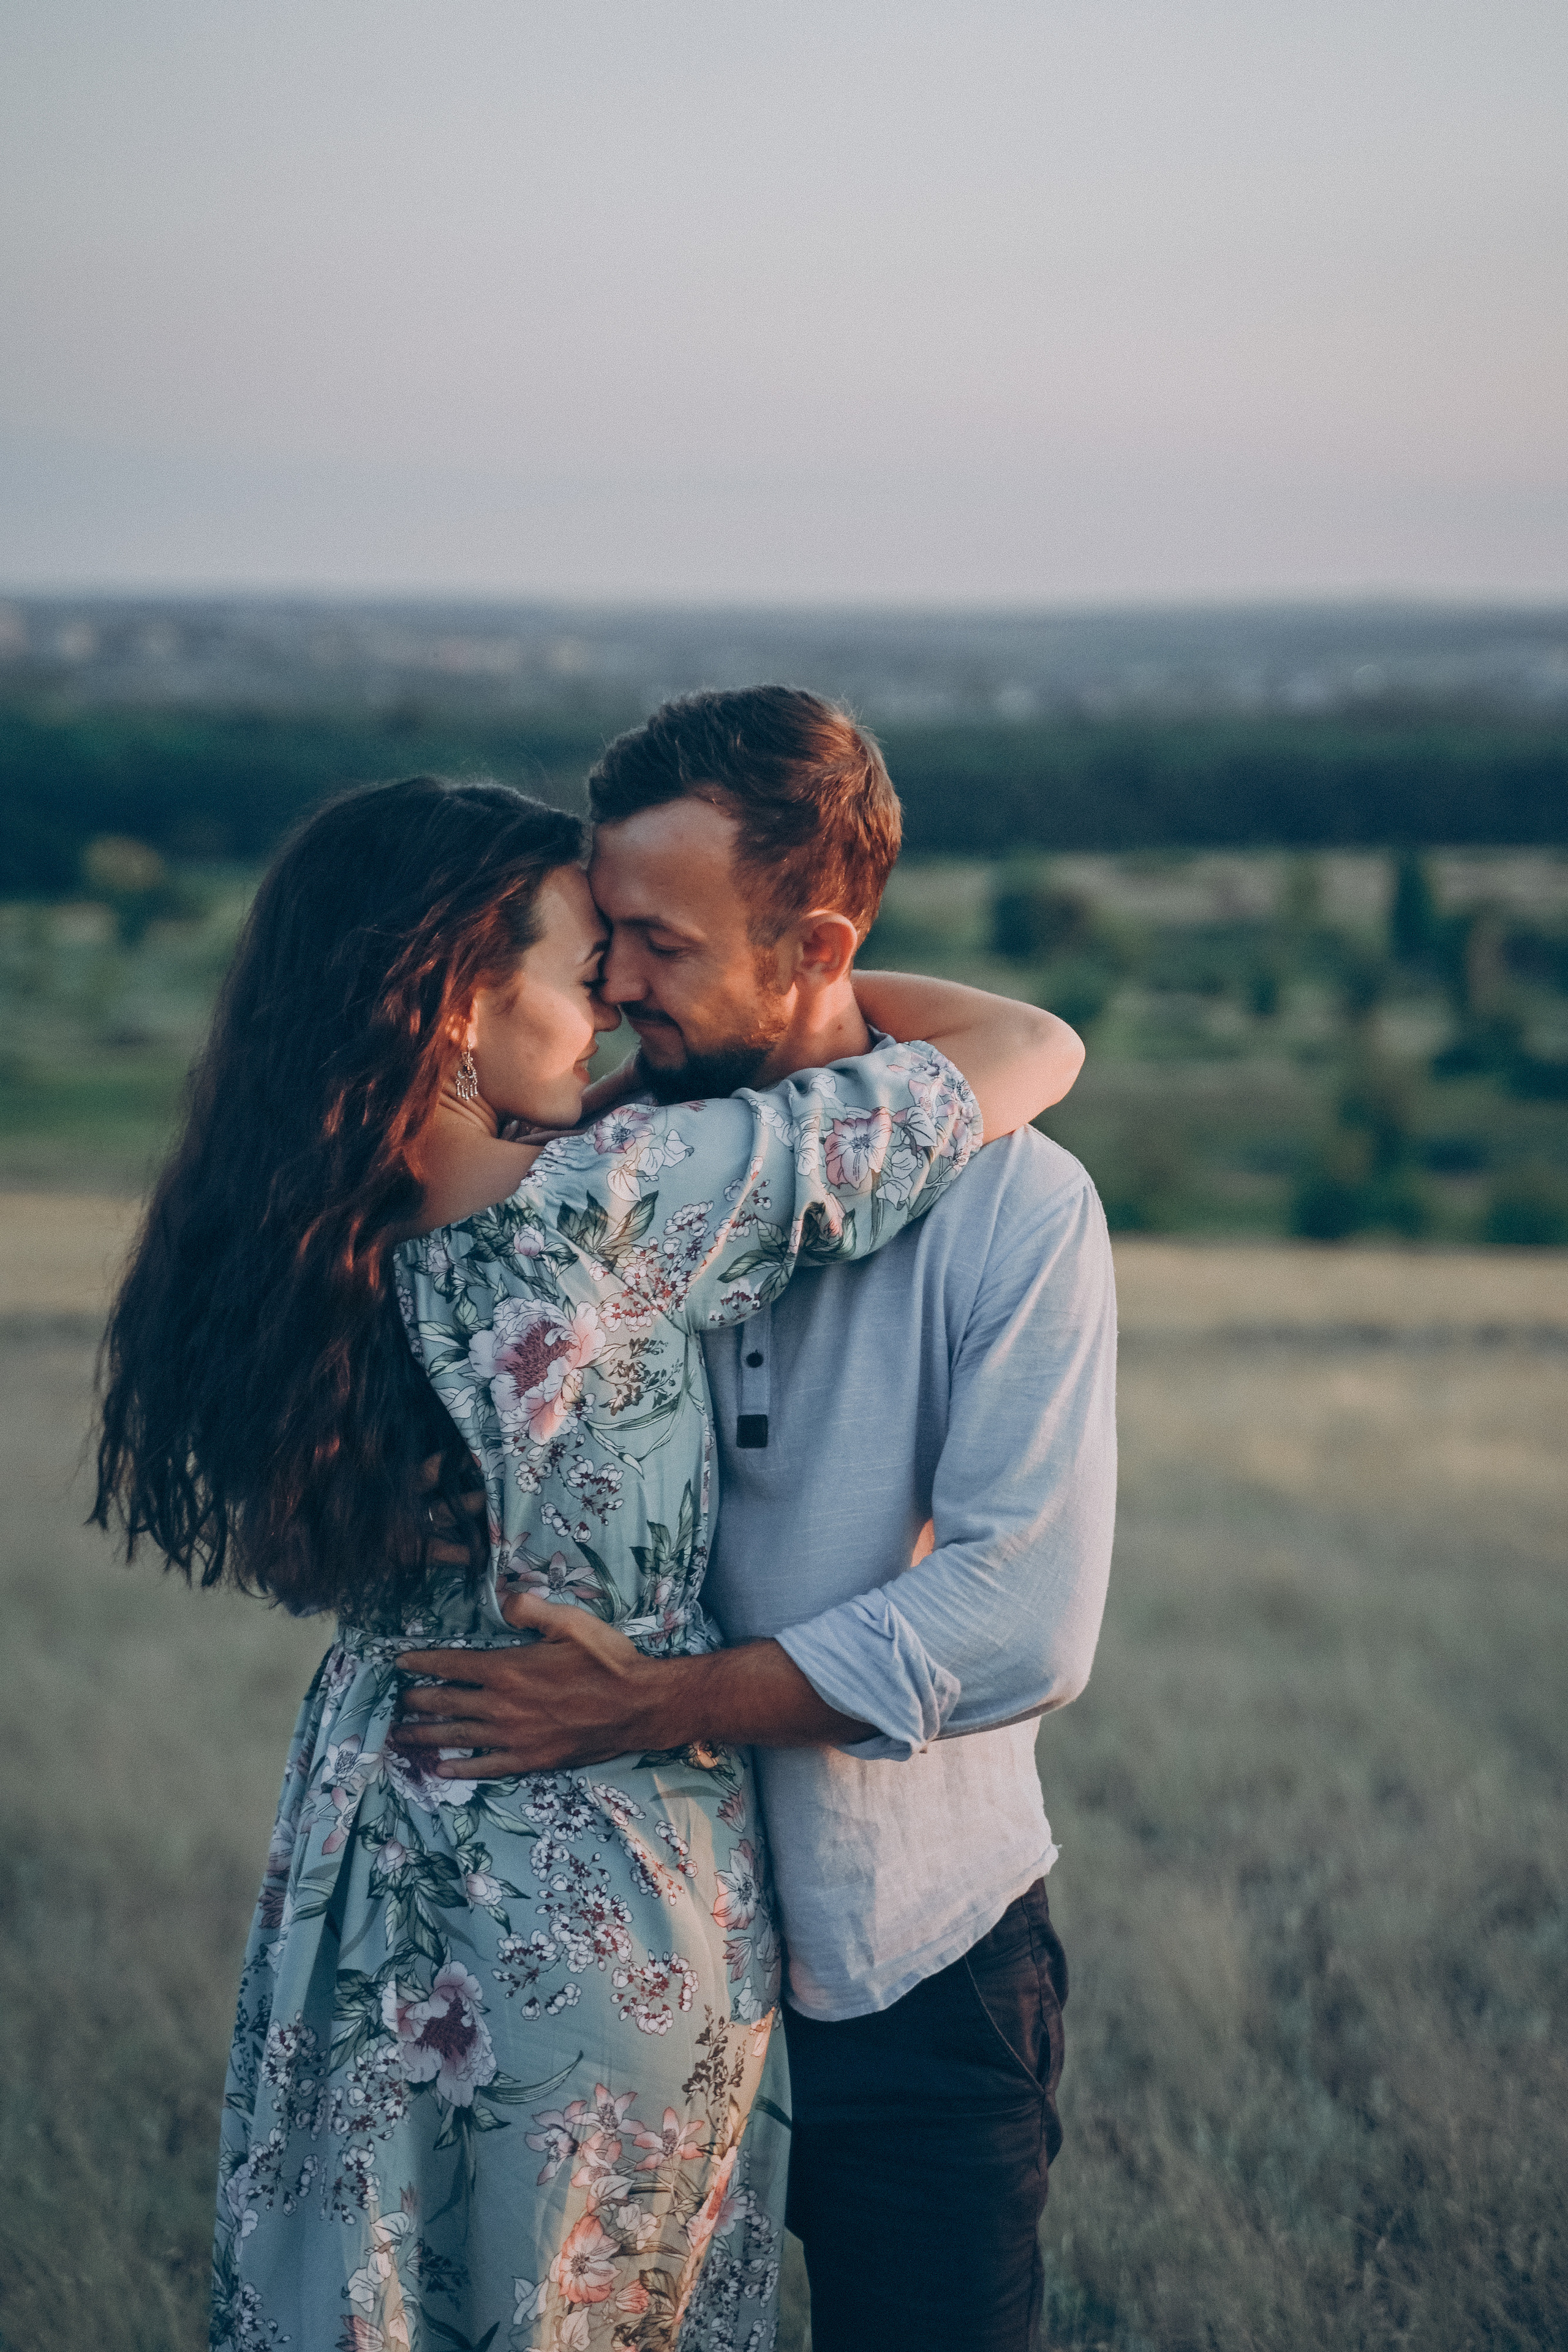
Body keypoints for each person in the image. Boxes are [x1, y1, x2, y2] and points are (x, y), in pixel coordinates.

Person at [91, 774, 1082, 2352]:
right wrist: (805, 979)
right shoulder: (601, 1215)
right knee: (586, 2304)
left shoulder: (292, 1234)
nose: (613, 1006)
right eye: (579, 965)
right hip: (594, 1865)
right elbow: (1036, 1048)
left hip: (364, 1830)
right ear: (453, 1006)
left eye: (640, 955)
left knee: (374, 2293)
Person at [393, 692, 1117, 2352]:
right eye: (603, 940)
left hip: (918, 1956)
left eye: (656, 942)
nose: (616, 985)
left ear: (816, 941)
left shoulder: (1019, 1203)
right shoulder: (592, 1164)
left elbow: (1022, 1619)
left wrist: (652, 1705)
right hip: (607, 1944)